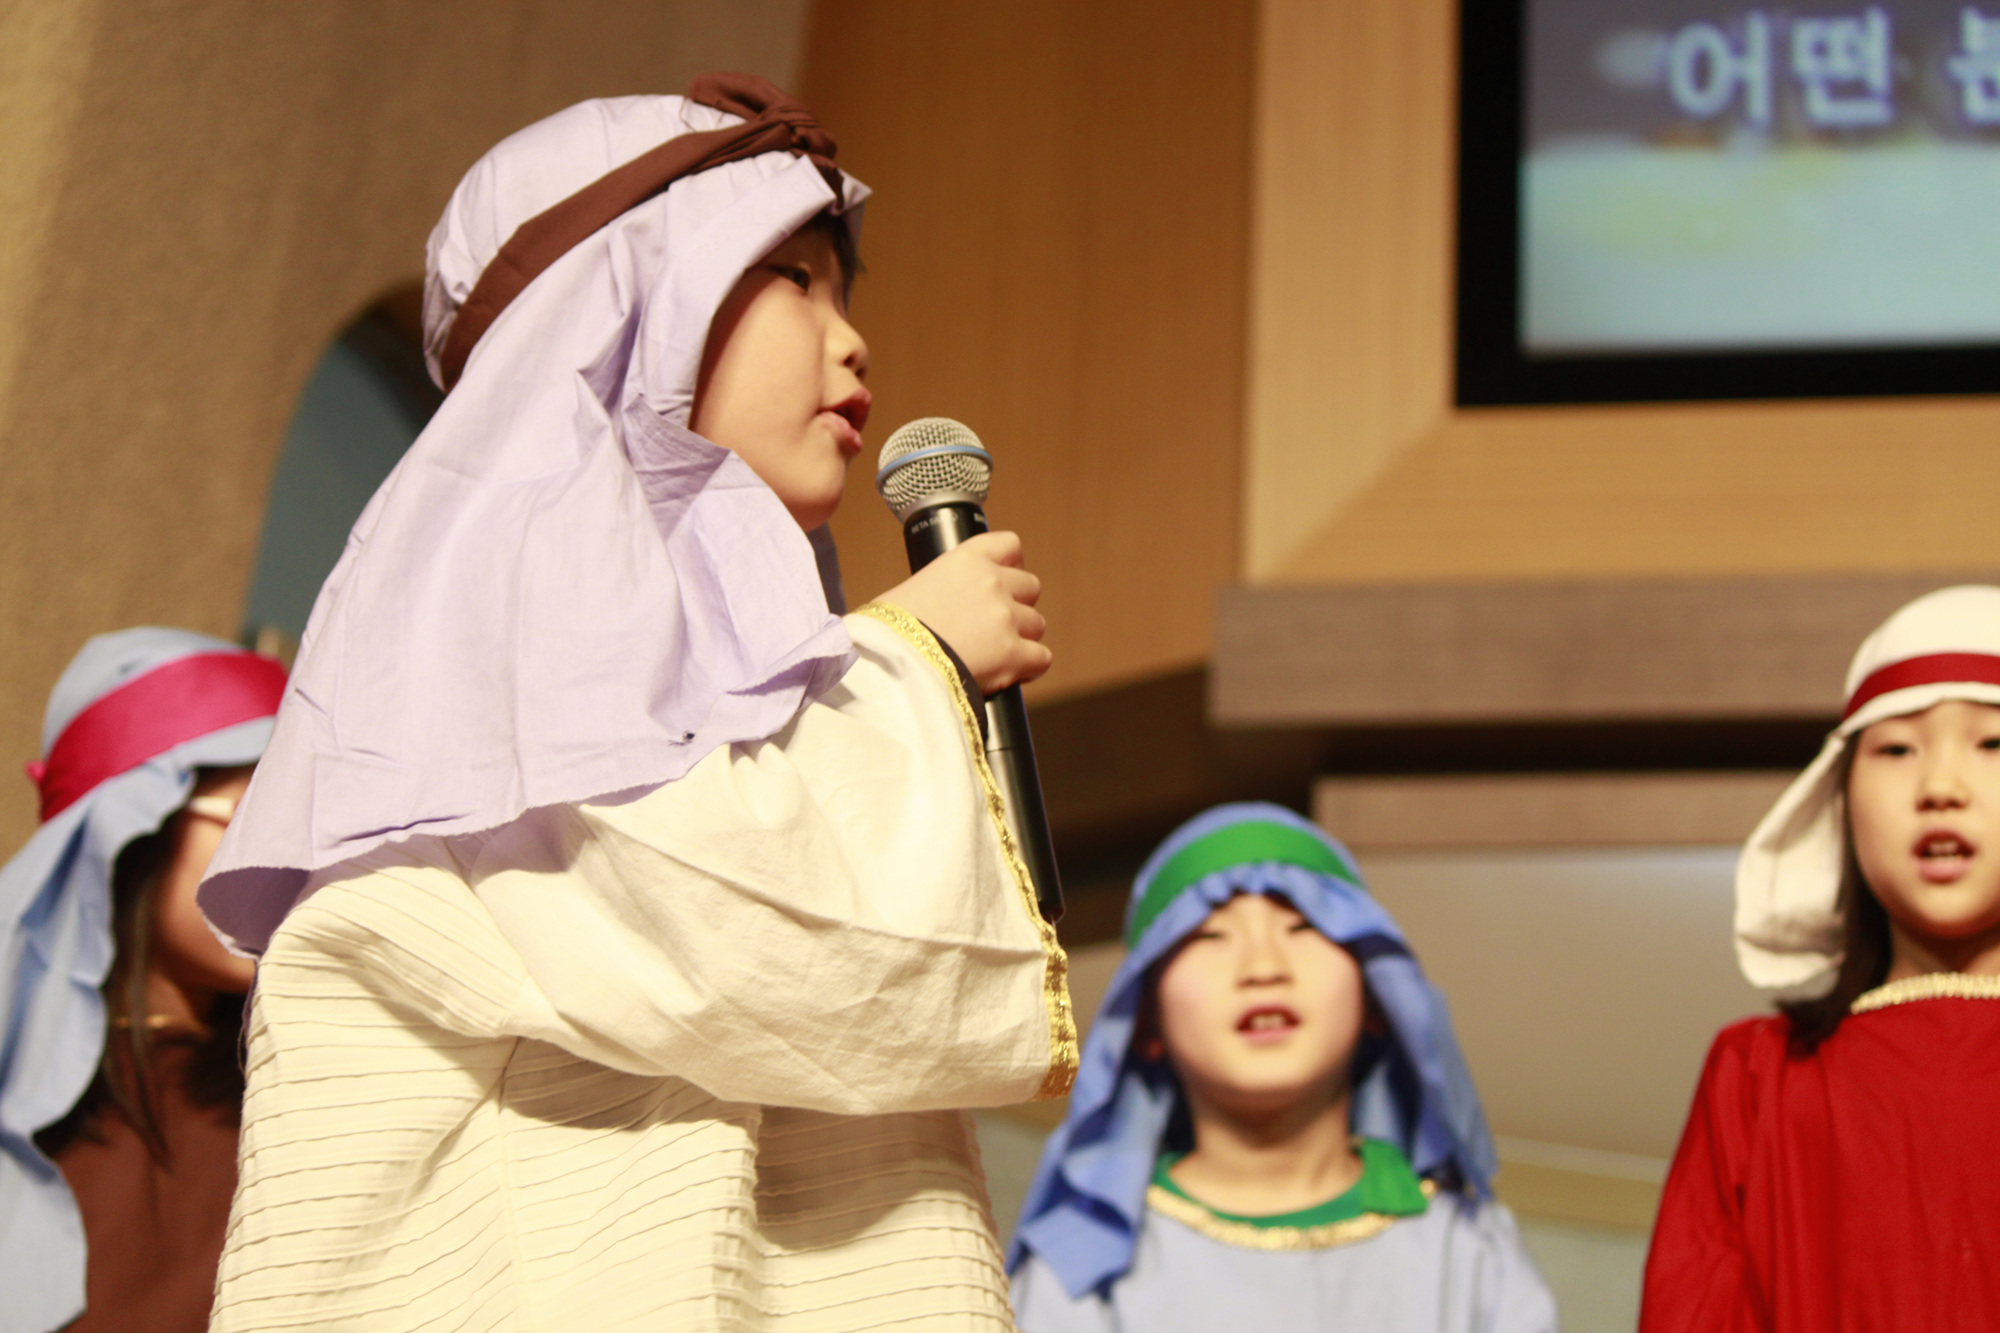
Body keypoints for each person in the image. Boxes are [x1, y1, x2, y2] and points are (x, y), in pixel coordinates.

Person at [197, 77, 1074, 1332]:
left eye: (844, 293)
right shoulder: (508, 590)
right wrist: (915, 661)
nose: (850, 341)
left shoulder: (770, 635)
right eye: (792, 278)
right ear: (621, 302)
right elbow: (707, 908)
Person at [1009, 803, 1556, 1333]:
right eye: (1210, 936)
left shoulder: (1468, 1251)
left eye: (1303, 928)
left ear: (1375, 998)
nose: (1264, 967)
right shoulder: (1076, 1271)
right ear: (1145, 1022)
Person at [1642, 584, 2000, 1330]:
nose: (1941, 786)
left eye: (1993, 743)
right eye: (1896, 748)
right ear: (1840, 800)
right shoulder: (1758, 1076)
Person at [0, 628, 285, 1333]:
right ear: (131, 830)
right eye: (257, 818)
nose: (294, 864)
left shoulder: (297, 1108)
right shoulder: (26, 1105)